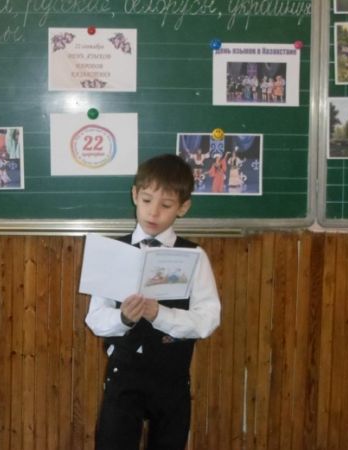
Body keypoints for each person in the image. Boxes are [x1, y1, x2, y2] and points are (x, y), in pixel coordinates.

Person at [85, 153, 221, 450]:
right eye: (147, 200)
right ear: (135, 195)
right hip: (124, 374)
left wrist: (160, 314)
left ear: (183, 207)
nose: (154, 212)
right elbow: (95, 319)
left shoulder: (194, 255)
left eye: (166, 205)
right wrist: (123, 318)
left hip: (171, 377)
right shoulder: (112, 251)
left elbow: (208, 318)